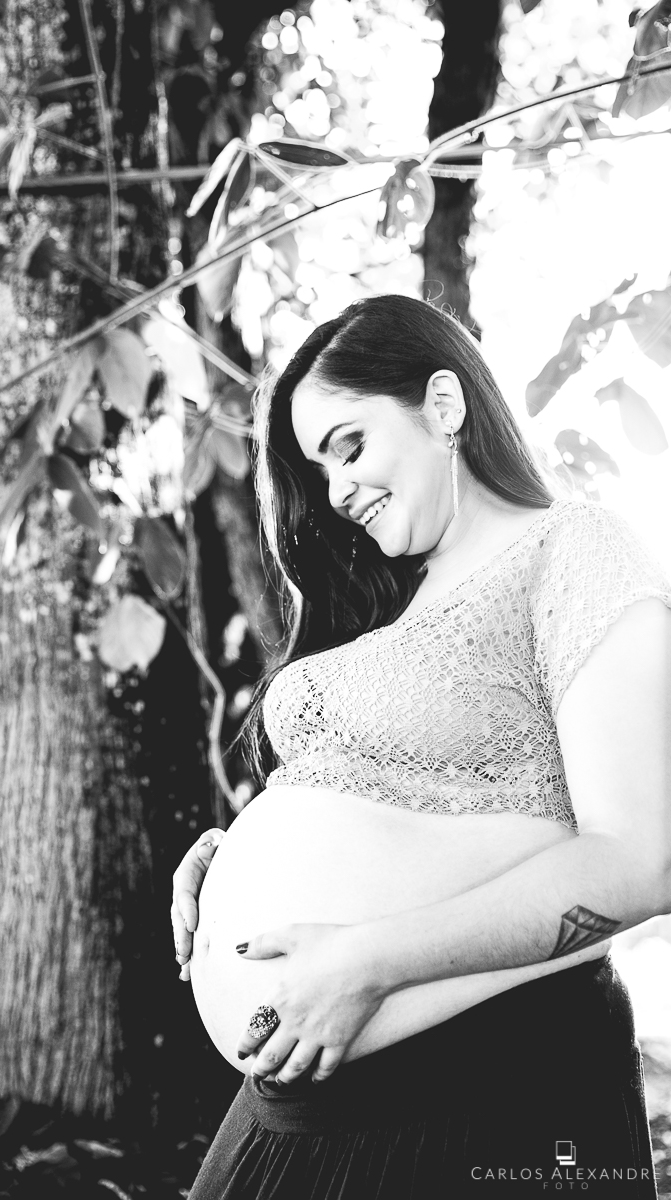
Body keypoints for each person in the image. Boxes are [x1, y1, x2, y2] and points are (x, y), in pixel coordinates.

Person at [170, 295, 670, 1199]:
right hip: (292, 1103)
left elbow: (644, 858)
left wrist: (368, 964)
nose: (334, 492)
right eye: (315, 471)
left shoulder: (569, 552)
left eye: (349, 446)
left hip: (483, 1085)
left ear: (443, 405)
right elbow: (385, 793)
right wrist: (232, 854)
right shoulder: (378, 604)